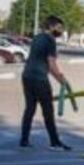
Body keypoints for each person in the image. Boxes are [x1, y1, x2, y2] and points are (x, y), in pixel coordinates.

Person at [20, 15, 71, 151]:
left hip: (27, 76)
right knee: (48, 111)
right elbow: (51, 64)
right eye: (59, 28)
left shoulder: (37, 37)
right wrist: (62, 80)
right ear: (52, 26)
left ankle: (24, 141)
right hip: (39, 79)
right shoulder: (50, 40)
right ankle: (55, 142)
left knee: (29, 109)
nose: (61, 31)